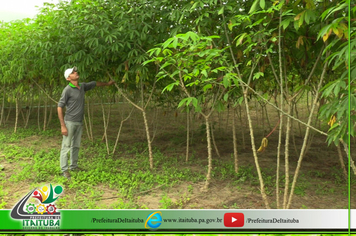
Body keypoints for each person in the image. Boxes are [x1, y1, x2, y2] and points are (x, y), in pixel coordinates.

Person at [57, 66, 115, 179]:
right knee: (66, 146)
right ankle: (64, 170)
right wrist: (63, 125)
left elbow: (94, 83)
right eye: (73, 73)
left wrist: (107, 84)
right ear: (68, 78)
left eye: (75, 71)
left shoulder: (82, 86)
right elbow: (59, 107)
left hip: (79, 122)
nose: (75, 72)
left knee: (76, 145)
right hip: (69, 122)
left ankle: (74, 166)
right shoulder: (67, 90)